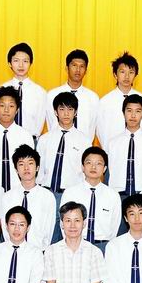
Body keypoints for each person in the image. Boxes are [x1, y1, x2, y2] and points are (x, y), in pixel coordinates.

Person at [60, 147, 121, 283]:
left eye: (98, 163)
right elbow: (65, 224)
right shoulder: (71, 193)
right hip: (76, 248)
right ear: (82, 166)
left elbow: (114, 229)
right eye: (89, 162)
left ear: (105, 168)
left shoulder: (112, 195)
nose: (93, 167)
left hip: (102, 249)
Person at [37, 91, 92, 229]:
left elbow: (85, 172)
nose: (66, 114)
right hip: (47, 192)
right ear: (55, 112)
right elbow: (39, 169)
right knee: (45, 230)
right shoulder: (44, 139)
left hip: (71, 194)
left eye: (70, 109)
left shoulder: (84, 141)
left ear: (76, 112)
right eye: (62, 109)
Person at [0, 86, 35, 191]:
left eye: (11, 106)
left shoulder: (26, 136)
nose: (6, 110)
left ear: (17, 110)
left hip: (17, 191)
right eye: (2, 105)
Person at [0, 144, 56, 251]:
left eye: (30, 163)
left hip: (38, 251)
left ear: (37, 167)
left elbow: (48, 230)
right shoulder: (7, 197)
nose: (26, 168)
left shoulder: (47, 197)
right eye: (21, 164)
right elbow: (5, 228)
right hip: (13, 250)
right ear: (16, 169)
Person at [106, 94, 142, 199]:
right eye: (129, 111)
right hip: (118, 196)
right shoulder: (112, 143)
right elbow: (108, 173)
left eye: (138, 111)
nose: (133, 115)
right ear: (123, 113)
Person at [45, 49, 100, 141]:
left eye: (82, 66)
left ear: (86, 70)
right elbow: (51, 123)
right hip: (58, 143)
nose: (78, 70)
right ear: (67, 68)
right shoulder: (52, 95)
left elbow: (92, 126)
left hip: (84, 146)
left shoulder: (93, 98)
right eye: (74, 65)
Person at [97, 52, 142, 147]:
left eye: (131, 72)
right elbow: (101, 132)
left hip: (137, 148)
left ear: (135, 75)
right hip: (112, 150)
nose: (127, 76)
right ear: (115, 74)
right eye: (122, 72)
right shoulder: (105, 101)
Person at [0, 42, 47, 139]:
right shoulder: (0, 89)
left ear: (31, 63)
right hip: (5, 138)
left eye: (25, 61)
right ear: (9, 63)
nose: (21, 65)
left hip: (30, 140)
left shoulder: (40, 92)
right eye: (16, 61)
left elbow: (39, 122)